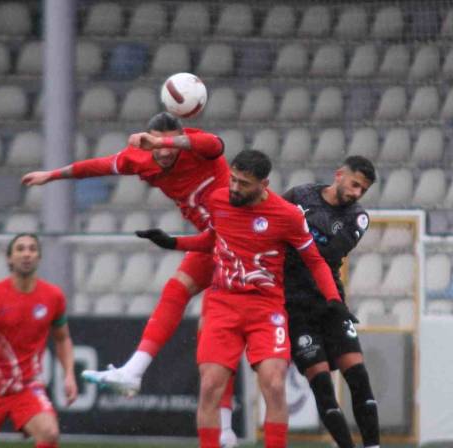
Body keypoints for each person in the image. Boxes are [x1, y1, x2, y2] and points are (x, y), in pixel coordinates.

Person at [20, 112, 239, 446]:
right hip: (212, 242)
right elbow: (95, 166)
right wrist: (51, 175)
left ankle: (224, 429)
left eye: (169, 144)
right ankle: (136, 372)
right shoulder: (142, 159)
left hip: (239, 243)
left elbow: (217, 144)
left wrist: (163, 141)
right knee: (178, 292)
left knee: (215, 336)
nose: (164, 154)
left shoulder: (195, 146)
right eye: (156, 145)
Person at [137, 149, 354, 448]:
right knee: (211, 386)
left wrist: (333, 299)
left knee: (275, 383)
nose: (235, 188)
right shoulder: (218, 200)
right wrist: (173, 242)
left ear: (264, 185)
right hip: (223, 304)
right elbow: (212, 239)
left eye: (243, 183)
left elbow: (315, 261)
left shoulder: (288, 215)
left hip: (266, 309)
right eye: (233, 180)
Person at [282, 156, 379, 448]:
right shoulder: (300, 195)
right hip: (296, 306)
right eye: (354, 185)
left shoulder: (357, 217)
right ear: (339, 175)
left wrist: (294, 235)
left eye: (363, 190)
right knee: (322, 387)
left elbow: (327, 255)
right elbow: (271, 220)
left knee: (358, 376)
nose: (356, 194)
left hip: (331, 303)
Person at [0, 233, 77, 448]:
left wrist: (69, 374)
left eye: (32, 249)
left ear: (38, 257)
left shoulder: (53, 296)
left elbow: (62, 339)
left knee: (49, 432)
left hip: (27, 385)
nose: (26, 254)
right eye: (20, 249)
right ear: (9, 258)